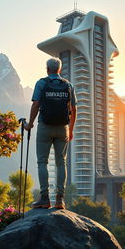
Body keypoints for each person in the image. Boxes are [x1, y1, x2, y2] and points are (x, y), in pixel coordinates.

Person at [25, 57, 77, 209]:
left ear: (47, 69)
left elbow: (36, 104)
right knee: (61, 163)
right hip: (63, 128)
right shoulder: (68, 85)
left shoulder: (41, 83)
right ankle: (60, 200)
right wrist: (71, 129)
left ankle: (44, 198)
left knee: (43, 162)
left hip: (45, 128)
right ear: (59, 70)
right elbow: (74, 109)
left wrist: (30, 124)